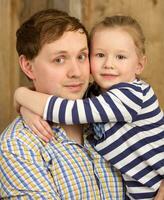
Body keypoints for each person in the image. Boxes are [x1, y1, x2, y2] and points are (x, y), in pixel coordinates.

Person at [14, 15, 164, 200]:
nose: (109, 64)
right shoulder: (95, 96)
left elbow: (67, 111)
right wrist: (26, 107)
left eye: (81, 56)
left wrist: (21, 95)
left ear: (140, 65)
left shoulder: (131, 95)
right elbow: (65, 106)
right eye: (100, 55)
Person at [0, 9, 124, 199]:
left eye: (81, 56)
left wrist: (22, 96)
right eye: (59, 60)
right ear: (28, 66)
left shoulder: (115, 109)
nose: (76, 72)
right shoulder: (18, 146)